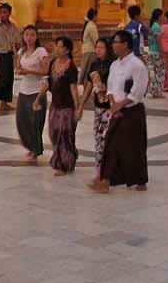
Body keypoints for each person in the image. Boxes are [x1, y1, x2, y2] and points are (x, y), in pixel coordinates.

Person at [90, 29, 149, 193]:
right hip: (116, 110)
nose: (113, 45)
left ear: (126, 45)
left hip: (132, 111)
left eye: (116, 42)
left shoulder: (137, 65)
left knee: (133, 146)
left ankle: (140, 180)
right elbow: (110, 87)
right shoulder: (115, 65)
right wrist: (113, 104)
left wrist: (121, 105)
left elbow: (138, 91)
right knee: (111, 145)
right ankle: (106, 180)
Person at [39, 35, 80, 175]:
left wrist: (78, 107)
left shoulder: (71, 67)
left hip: (67, 106)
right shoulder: (53, 63)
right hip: (55, 105)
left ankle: (64, 164)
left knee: (65, 134)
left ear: (67, 50)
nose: (57, 49)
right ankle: (71, 154)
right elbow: (48, 83)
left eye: (60, 46)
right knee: (54, 132)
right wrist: (38, 98)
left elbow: (73, 88)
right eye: (56, 45)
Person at [14, 24, 49, 164]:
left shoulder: (41, 51)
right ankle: (30, 146)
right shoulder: (22, 51)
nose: (29, 37)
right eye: (27, 34)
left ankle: (35, 150)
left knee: (35, 121)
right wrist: (19, 69)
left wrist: (29, 72)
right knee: (22, 121)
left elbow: (46, 71)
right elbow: (17, 65)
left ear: (36, 36)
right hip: (24, 90)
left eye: (32, 35)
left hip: (37, 91)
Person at [79, 37, 115, 167]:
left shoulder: (114, 65)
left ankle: (109, 166)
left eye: (101, 47)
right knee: (98, 136)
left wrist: (107, 87)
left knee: (108, 137)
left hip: (111, 107)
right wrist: (81, 103)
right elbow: (89, 84)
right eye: (97, 47)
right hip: (99, 106)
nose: (98, 50)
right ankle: (100, 166)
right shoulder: (95, 64)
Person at [144, 8, 165, 98]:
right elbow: (158, 41)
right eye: (162, 15)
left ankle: (154, 90)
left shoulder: (153, 26)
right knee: (160, 72)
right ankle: (157, 91)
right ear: (159, 16)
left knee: (156, 71)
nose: (163, 17)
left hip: (152, 51)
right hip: (156, 51)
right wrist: (161, 52)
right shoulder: (157, 27)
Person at [79, 8, 99, 84]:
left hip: (87, 51)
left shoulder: (89, 24)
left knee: (86, 71)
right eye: (97, 15)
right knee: (89, 72)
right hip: (91, 52)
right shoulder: (92, 26)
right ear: (94, 16)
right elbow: (96, 40)